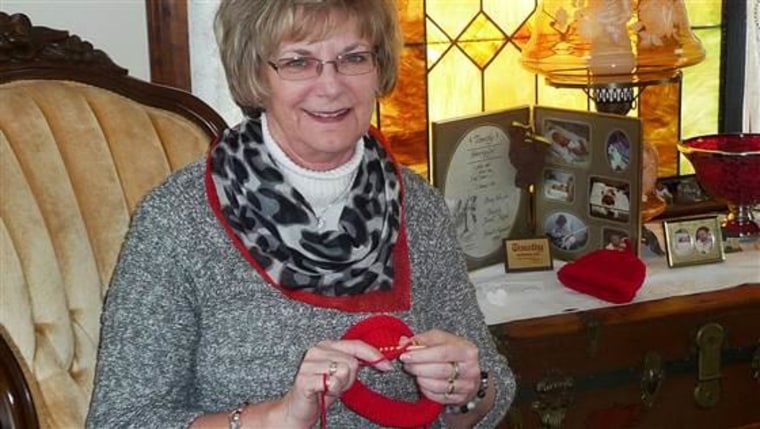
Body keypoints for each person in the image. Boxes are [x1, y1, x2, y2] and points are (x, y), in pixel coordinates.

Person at [86, 1, 515, 428]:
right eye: (298, 62)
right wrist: (279, 417)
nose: (330, 86)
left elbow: (490, 398)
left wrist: (467, 389)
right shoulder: (178, 219)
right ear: (256, 75)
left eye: (353, 58)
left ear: (378, 68)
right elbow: (121, 420)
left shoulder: (418, 205)